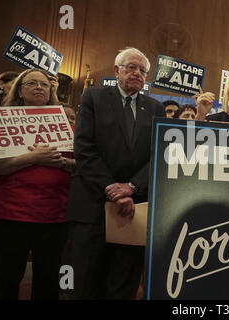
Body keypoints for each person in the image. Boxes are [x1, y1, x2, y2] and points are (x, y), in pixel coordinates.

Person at [63, 47, 165, 299]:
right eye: (131, 67)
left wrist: (132, 187)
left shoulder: (155, 108)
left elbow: (159, 156)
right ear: (116, 70)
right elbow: (84, 150)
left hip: (134, 208)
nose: (138, 73)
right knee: (84, 282)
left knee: (123, 283)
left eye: (143, 71)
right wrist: (113, 189)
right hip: (92, 205)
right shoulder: (93, 97)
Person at [0, 68, 74, 299]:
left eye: (44, 84)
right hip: (10, 215)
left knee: (48, 281)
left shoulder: (64, 123)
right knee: (5, 279)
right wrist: (31, 159)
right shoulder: (2, 121)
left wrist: (62, 163)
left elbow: (82, 165)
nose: (39, 87)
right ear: (19, 89)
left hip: (54, 216)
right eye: (32, 83)